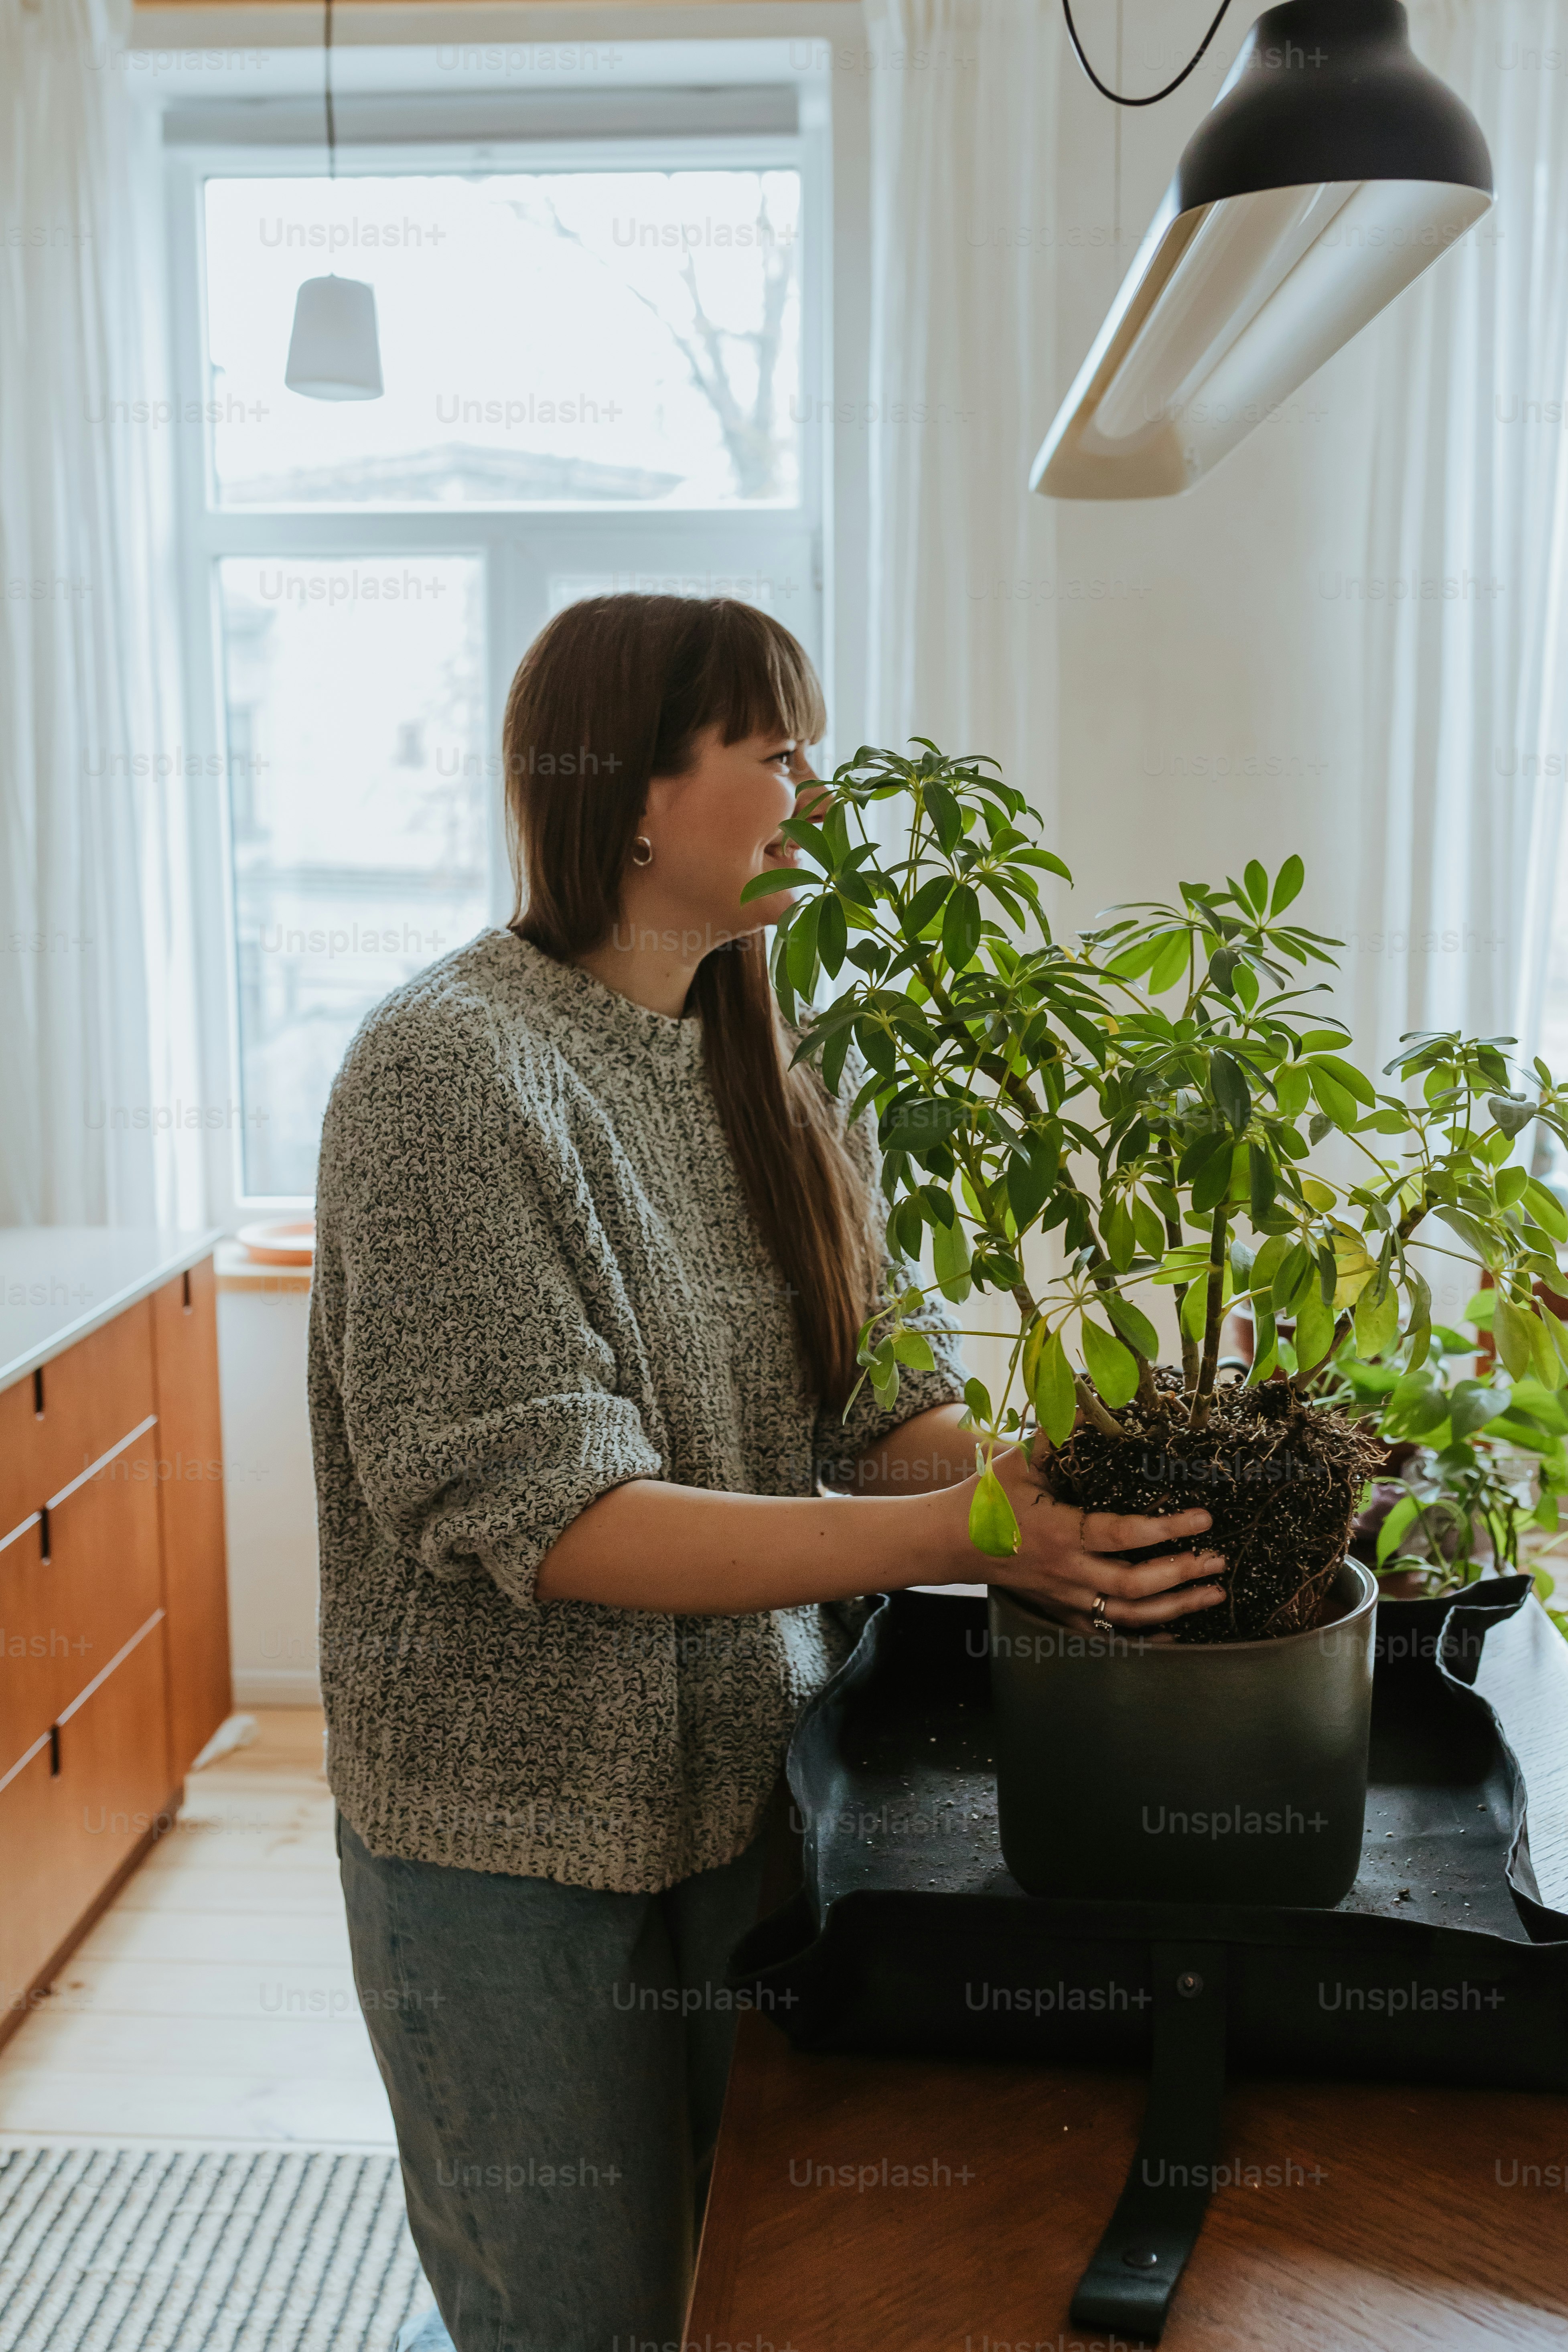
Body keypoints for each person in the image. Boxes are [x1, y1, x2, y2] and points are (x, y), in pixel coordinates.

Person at [306, 594, 1225, 2352]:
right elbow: (564, 1518)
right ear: (631, 795)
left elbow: (880, 1410)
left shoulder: (784, 1065)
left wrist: (1075, 1493)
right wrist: (972, 1531)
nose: (824, 784)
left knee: (758, 2301)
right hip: (509, 1853)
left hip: (754, 1803)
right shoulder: (445, 1071)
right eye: (777, 748)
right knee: (581, 2317)